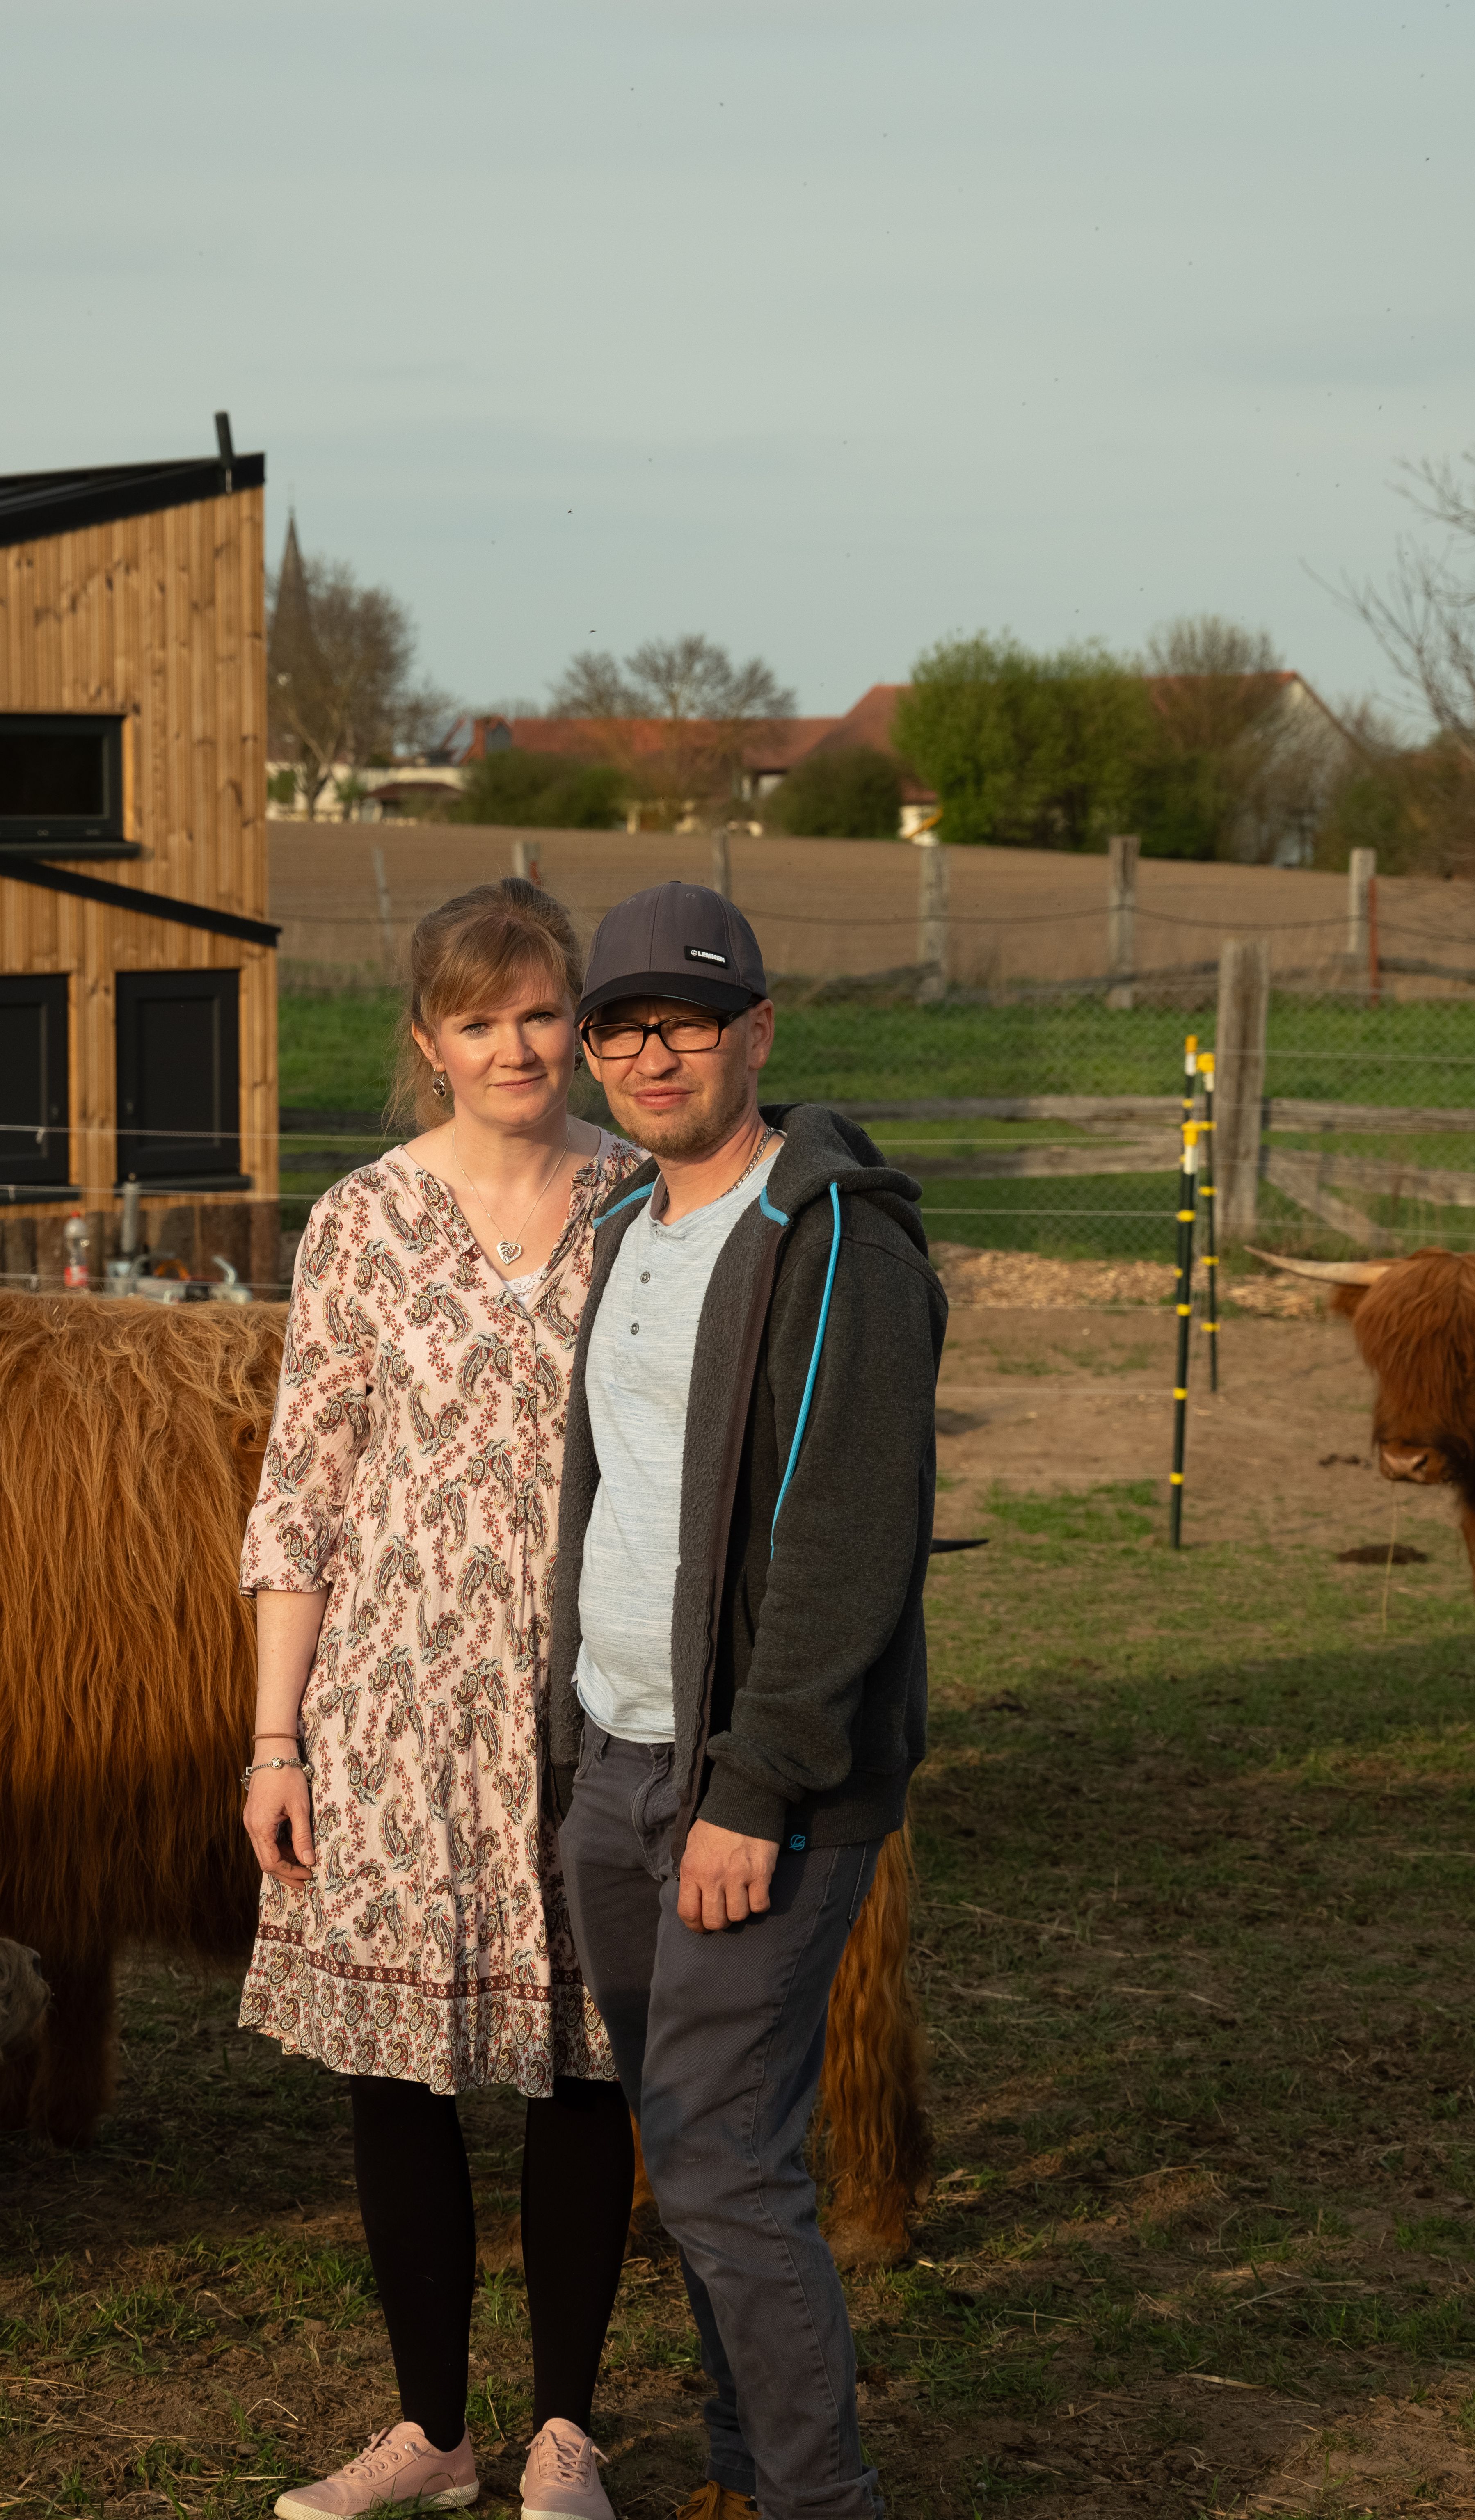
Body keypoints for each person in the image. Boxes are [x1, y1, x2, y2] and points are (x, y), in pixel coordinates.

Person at [239, 877, 647, 2520]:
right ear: (427, 1043)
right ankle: (428, 2434)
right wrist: (273, 1740)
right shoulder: (356, 1221)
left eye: (540, 1012)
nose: (515, 1046)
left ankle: (564, 2433)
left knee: (582, 2060)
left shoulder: (642, 1204)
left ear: (580, 1023)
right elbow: (302, 1489)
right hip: (388, 1710)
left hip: (588, 1704)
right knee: (395, 2073)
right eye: (477, 1020)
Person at [544, 882, 944, 2520]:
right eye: (624, 1025)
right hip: (612, 1765)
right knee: (691, 2150)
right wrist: (580, 1749)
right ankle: (735, 2464)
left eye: (689, 1022)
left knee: (719, 2162)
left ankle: (812, 2497)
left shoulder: (831, 1234)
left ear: (757, 1034)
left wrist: (754, 1784)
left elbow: (849, 1540)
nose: (655, 1054)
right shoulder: (624, 1227)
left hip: (746, 1787)